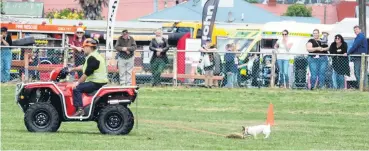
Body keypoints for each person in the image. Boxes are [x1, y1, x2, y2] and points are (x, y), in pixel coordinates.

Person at [69, 38, 108, 116]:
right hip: (98, 81)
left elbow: (86, 74)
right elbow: (84, 67)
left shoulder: (93, 58)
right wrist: (71, 69)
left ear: (89, 47)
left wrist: (77, 83)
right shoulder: (94, 56)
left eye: (84, 47)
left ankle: (80, 109)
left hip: (96, 82)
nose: (83, 49)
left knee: (77, 88)